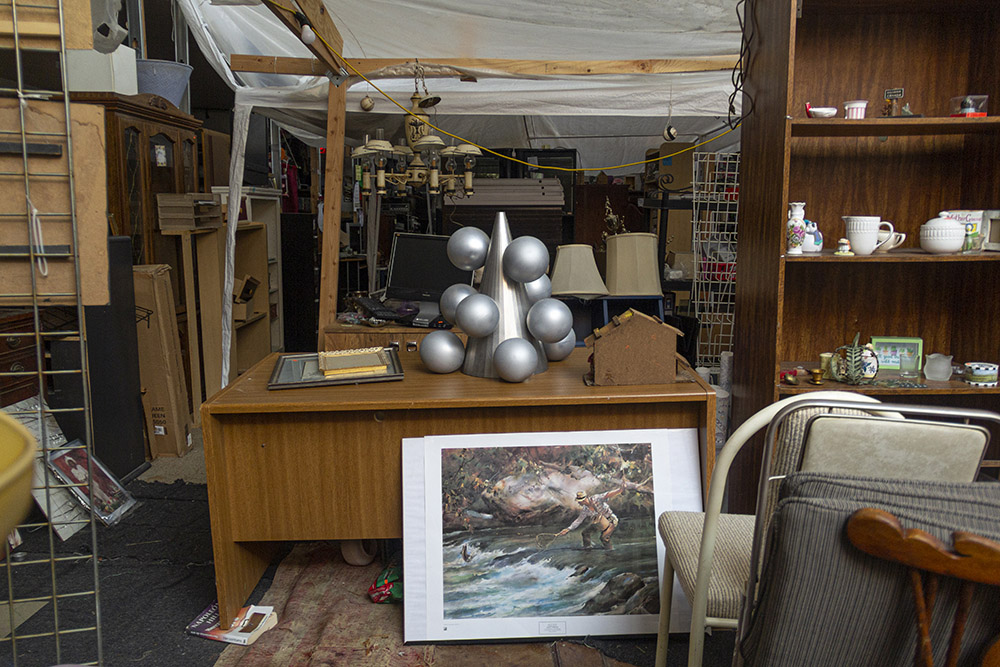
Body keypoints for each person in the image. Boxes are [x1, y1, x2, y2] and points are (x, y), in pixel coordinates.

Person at [556, 484, 625, 550]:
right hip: (599, 523)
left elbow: (607, 495)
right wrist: (568, 529)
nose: (578, 503)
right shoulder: (585, 509)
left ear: (583, 500)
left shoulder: (596, 498)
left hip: (611, 521)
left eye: (579, 501)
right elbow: (578, 520)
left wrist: (620, 490)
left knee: (604, 538)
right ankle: (588, 549)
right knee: (585, 533)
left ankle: (610, 551)